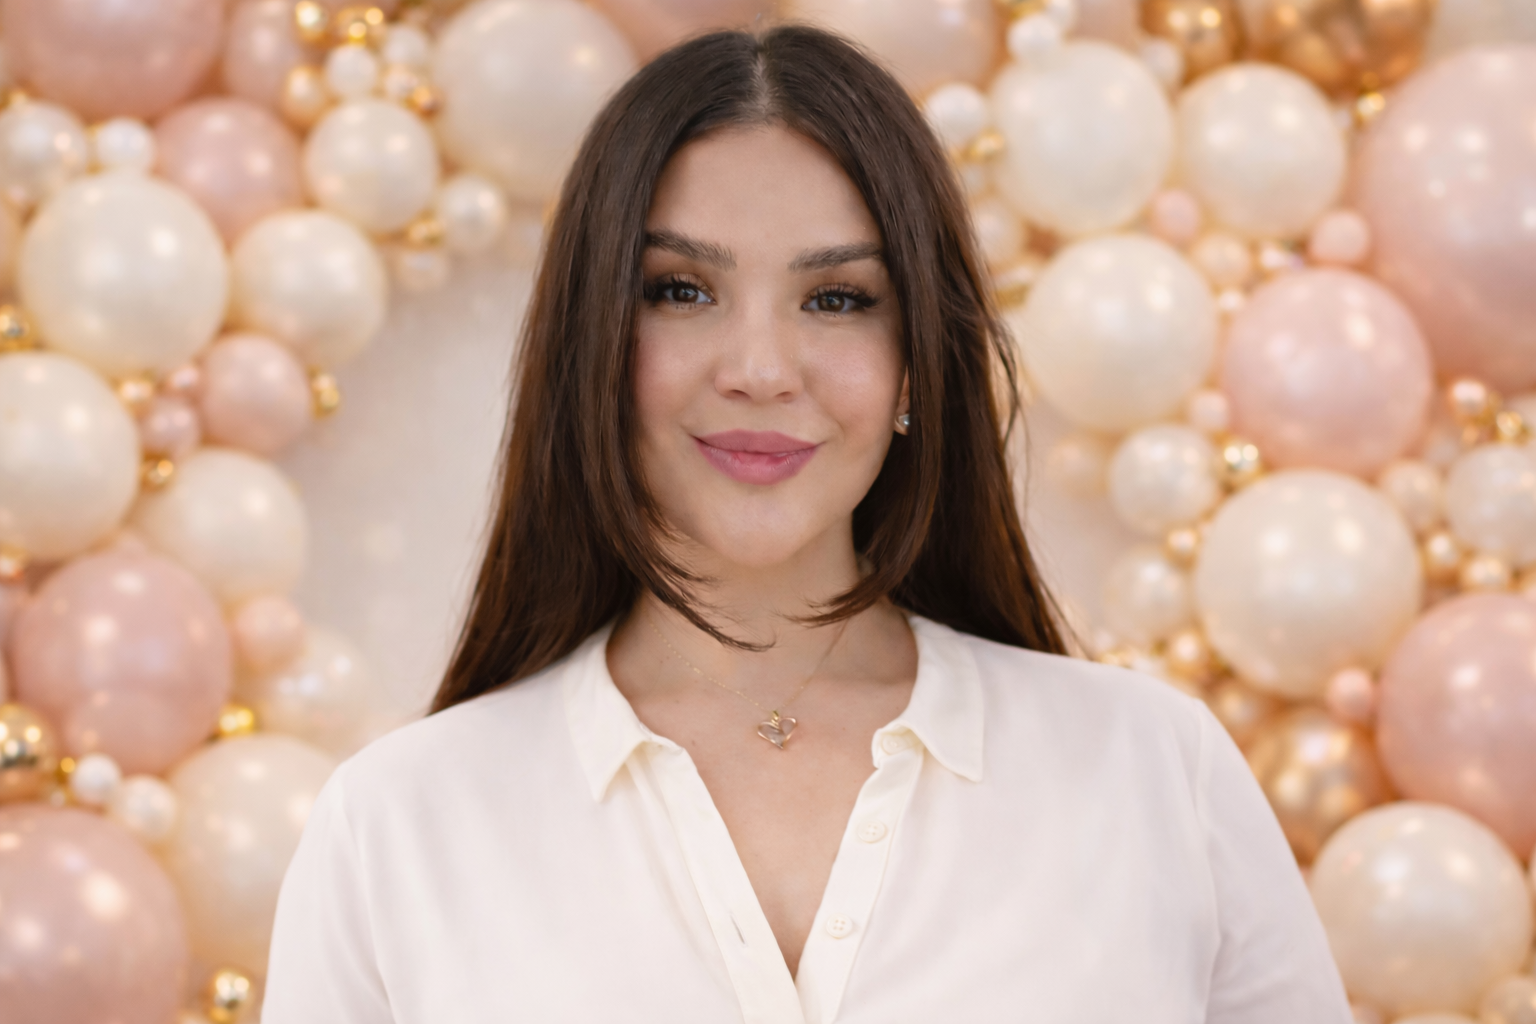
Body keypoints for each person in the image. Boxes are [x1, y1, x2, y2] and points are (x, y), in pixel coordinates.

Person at [262, 24, 1351, 1024]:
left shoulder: (1152, 772)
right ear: (591, 340)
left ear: (918, 360)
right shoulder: (397, 826)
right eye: (681, 290)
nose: (760, 371)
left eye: (837, 299)